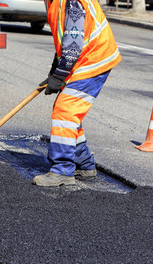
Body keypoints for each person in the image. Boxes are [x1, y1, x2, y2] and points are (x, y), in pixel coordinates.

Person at [32, 0, 121, 186]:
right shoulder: (55, 1)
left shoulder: (72, 1)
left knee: (65, 110)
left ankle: (62, 171)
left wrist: (60, 75)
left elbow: (73, 45)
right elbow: (65, 39)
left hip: (94, 59)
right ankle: (84, 164)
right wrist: (55, 71)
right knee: (68, 112)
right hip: (86, 58)